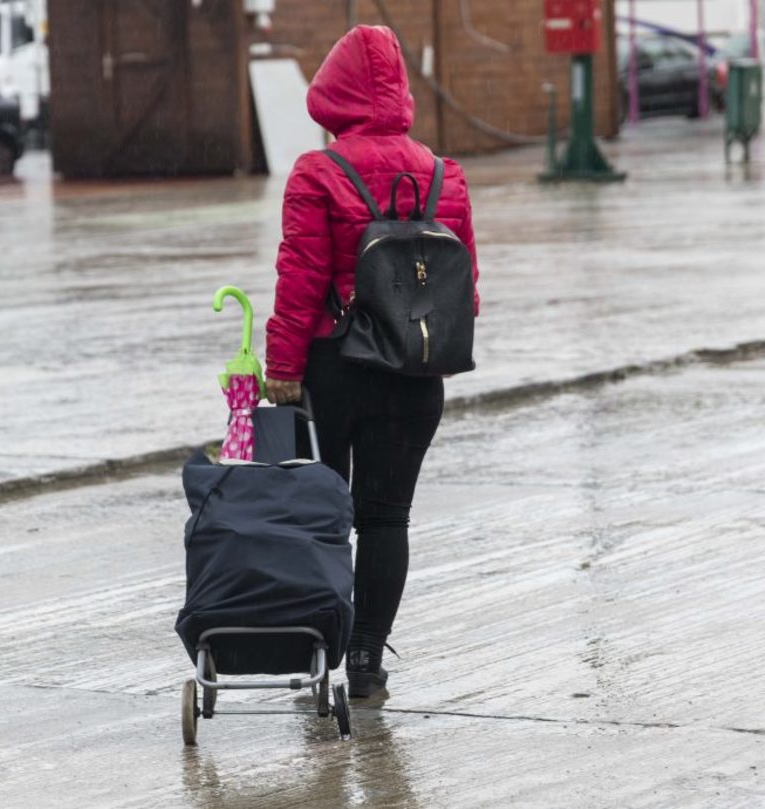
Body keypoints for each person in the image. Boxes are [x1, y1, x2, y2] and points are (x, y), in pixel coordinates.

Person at [264, 26, 479, 702]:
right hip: (416, 373)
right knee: (386, 518)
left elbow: (298, 281)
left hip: (336, 367)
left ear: (334, 93)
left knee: (321, 513)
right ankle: (366, 661)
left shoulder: (319, 172)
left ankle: (315, 651)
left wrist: (281, 366)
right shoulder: (446, 176)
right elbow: (465, 290)